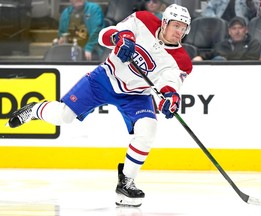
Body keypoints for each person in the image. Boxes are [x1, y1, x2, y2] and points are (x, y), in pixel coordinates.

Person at [6, 4, 192, 207]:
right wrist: (118, 38)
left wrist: (170, 97)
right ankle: (34, 110)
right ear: (164, 22)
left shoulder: (182, 60)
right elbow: (105, 35)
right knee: (64, 116)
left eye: (184, 28)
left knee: (148, 129)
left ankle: (127, 182)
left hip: (136, 95)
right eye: (176, 26)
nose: (179, 32)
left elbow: (170, 82)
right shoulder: (143, 19)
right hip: (104, 79)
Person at [193, 16, 261, 61]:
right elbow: (210, 54)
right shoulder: (222, 45)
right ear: (229, 31)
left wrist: (225, 58)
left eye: (240, 28)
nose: (237, 32)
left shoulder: (254, 44)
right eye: (234, 28)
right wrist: (200, 57)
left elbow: (250, 61)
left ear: (246, 30)